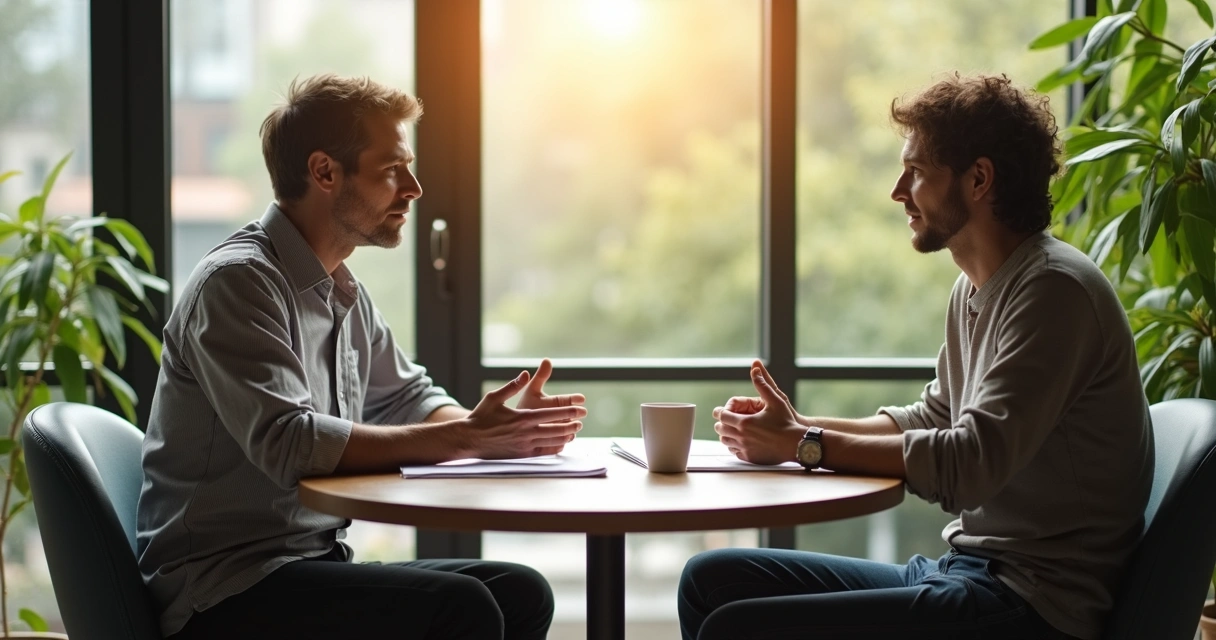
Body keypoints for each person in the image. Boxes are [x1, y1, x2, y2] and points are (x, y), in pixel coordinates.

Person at [678, 74, 1153, 640]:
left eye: (917, 171)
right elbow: (933, 417)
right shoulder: (975, 288)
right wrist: (798, 427)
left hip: (1033, 604)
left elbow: (969, 465)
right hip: (966, 572)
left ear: (979, 179)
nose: (898, 190)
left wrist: (805, 445)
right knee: (710, 582)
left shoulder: (1055, 291)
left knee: (738, 627)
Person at [136, 74, 588, 640]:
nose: (414, 188)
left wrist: (496, 429)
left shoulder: (342, 290)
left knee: (520, 592)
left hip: (310, 563)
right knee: (463, 607)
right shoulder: (237, 284)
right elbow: (290, 443)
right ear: (325, 172)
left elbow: (408, 397)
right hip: (221, 591)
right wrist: (471, 438)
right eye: (393, 169)